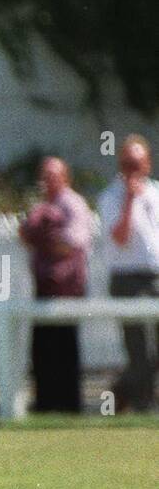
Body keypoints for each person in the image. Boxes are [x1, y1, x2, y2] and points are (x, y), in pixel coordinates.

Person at [18, 157, 91, 413]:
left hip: (67, 289)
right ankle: (45, 403)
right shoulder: (42, 206)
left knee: (65, 348)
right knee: (42, 349)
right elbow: (25, 237)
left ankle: (69, 405)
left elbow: (71, 245)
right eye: (45, 176)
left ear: (65, 177)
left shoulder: (73, 204)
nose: (47, 181)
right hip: (44, 287)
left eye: (53, 176)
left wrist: (44, 234)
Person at [98, 134, 159, 411]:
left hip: (155, 275)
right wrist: (129, 200)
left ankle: (121, 391)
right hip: (127, 279)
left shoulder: (156, 194)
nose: (132, 171)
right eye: (127, 165)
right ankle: (143, 406)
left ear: (148, 164)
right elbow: (120, 237)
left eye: (137, 164)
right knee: (140, 347)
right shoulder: (111, 197)